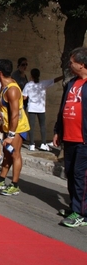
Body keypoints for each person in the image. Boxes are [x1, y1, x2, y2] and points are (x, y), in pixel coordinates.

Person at [53, 47, 87, 228]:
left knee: (81, 176)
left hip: (84, 140)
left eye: (72, 61)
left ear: (82, 64)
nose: (69, 64)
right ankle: (74, 207)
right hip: (69, 138)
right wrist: (58, 130)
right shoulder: (72, 83)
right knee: (71, 174)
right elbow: (62, 109)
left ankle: (81, 213)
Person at [0, 59, 30, 196]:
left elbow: (15, 115)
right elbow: (8, 111)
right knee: (7, 154)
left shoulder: (12, 90)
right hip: (9, 126)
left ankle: (15, 185)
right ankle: (1, 179)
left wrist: (10, 135)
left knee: (15, 154)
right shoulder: (5, 86)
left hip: (17, 128)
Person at [23, 68, 63, 151]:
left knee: (31, 126)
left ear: (31, 75)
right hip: (41, 108)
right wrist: (62, 76)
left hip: (31, 108)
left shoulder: (28, 84)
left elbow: (24, 97)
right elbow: (54, 80)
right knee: (42, 126)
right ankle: (43, 143)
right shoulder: (43, 83)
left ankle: (31, 144)